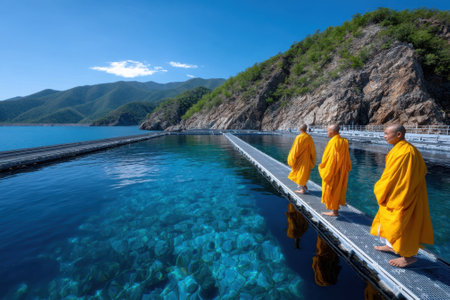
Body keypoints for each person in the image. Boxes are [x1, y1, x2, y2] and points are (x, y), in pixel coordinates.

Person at [371, 125, 434, 267]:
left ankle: (408, 257)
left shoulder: (406, 152)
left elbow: (400, 179)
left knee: (403, 223)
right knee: (391, 221)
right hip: (398, 192)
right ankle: (391, 246)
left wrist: (381, 189)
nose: (384, 136)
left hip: (405, 195)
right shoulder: (400, 149)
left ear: (398, 134)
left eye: (387, 133)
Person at [318, 124, 351, 216]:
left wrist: (326, 172)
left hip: (333, 171)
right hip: (341, 171)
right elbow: (347, 158)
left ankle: (334, 211)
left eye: (328, 131)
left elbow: (331, 160)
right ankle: (334, 210)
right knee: (338, 190)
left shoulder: (334, 142)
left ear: (332, 132)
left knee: (332, 190)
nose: (327, 133)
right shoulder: (343, 141)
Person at [287, 124, 316, 194]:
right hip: (306, 158)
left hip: (300, 158)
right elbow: (313, 150)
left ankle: (302, 189)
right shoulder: (309, 138)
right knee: (304, 172)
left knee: (299, 173)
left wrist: (292, 158)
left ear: (300, 129)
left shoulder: (299, 137)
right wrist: (312, 158)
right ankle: (304, 186)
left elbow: (295, 149)